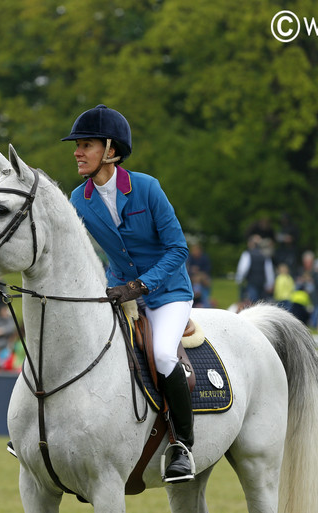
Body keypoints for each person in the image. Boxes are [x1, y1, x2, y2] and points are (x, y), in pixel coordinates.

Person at [63, 104, 195, 482]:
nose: (76, 152)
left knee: (164, 355)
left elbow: (178, 249)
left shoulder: (147, 188)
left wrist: (138, 287)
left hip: (168, 293)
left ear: (110, 150)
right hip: (118, 292)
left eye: (85, 145)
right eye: (77, 145)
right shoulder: (79, 199)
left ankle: (182, 445)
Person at [235, 234, 275, 303]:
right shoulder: (265, 255)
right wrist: (269, 284)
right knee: (262, 304)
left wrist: (239, 279)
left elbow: (243, 269)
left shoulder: (247, 254)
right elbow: (269, 271)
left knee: (251, 304)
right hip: (262, 284)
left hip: (251, 283)